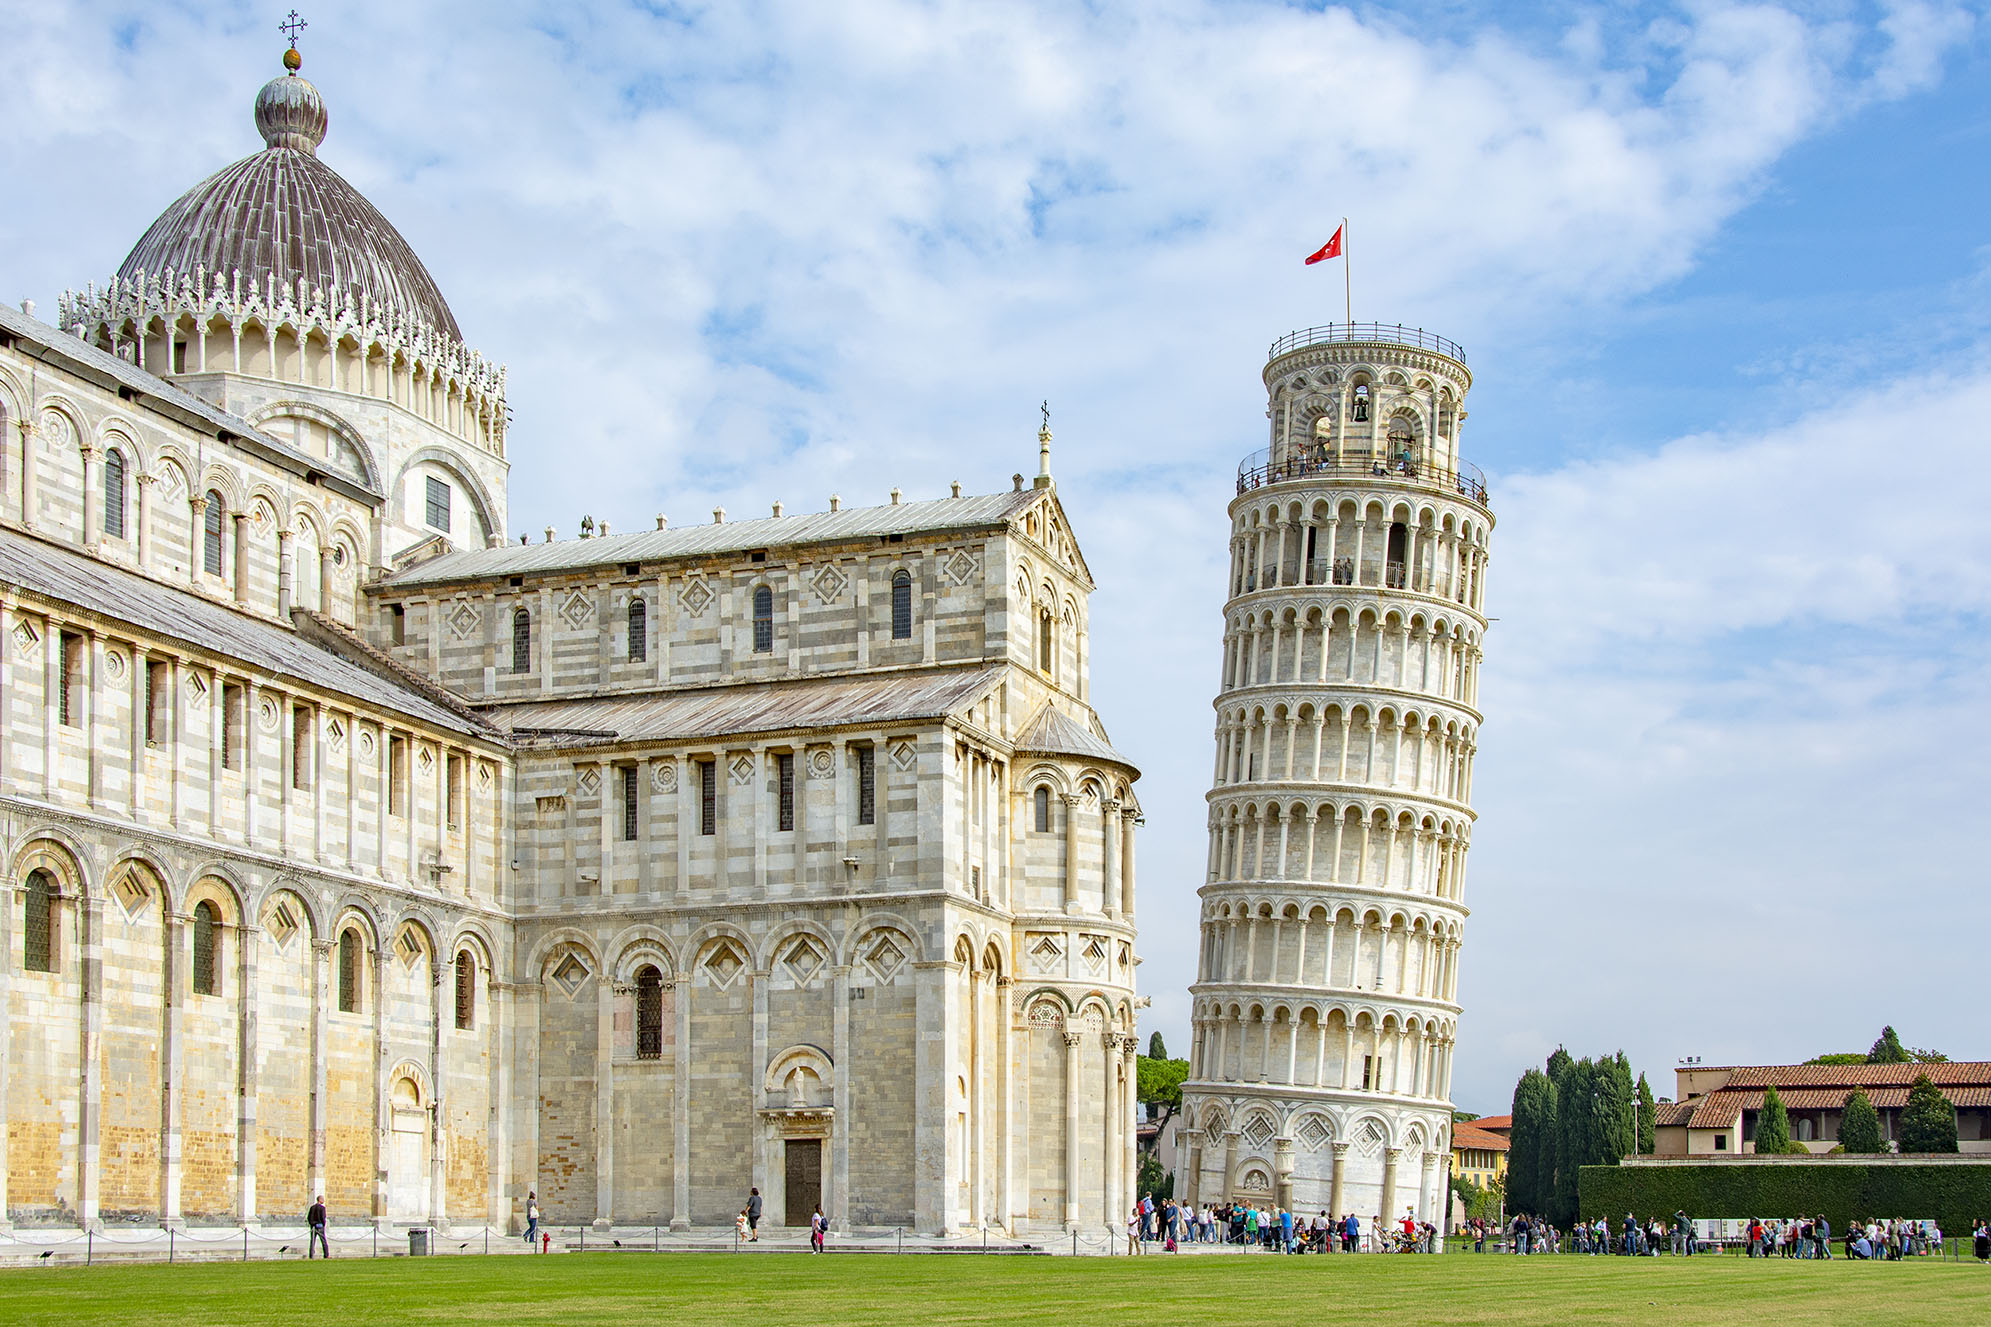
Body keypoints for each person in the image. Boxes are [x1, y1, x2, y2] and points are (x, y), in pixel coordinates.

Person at [306, 1194, 329, 1259]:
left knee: (312, 1241)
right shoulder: (322, 1208)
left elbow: (309, 1217)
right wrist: (323, 1224)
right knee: (323, 1241)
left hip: (313, 1226)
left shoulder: (312, 1207)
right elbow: (323, 1217)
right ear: (320, 1200)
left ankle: (311, 1255)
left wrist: (311, 1223)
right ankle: (326, 1254)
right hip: (320, 1226)